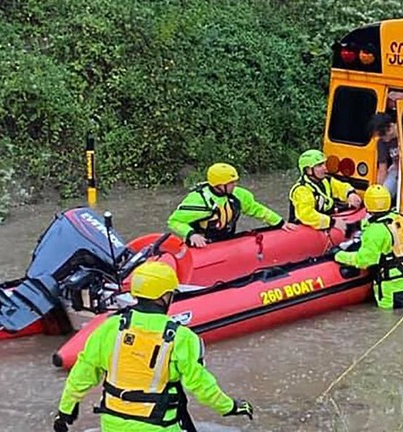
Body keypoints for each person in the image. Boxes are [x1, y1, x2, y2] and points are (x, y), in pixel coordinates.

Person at [53, 261, 253, 432]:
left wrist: (65, 410)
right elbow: (200, 384)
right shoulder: (182, 337)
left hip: (112, 424)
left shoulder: (111, 327)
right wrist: (229, 407)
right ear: (165, 296)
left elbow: (82, 372)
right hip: (158, 425)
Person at [334, 184, 403, 309]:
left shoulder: (375, 232)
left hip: (393, 290)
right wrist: (356, 226)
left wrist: (338, 255)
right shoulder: (400, 219)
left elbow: (364, 261)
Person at [168, 163, 297, 248]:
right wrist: (191, 234)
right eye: (231, 183)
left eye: (235, 181)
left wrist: (280, 223)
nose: (234, 185)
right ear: (218, 184)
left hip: (227, 241)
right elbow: (174, 221)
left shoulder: (238, 195)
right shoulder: (198, 200)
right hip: (202, 246)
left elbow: (257, 210)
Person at [288, 149, 362, 233]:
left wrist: (350, 194)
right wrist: (332, 222)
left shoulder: (326, 180)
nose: (325, 168)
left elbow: (341, 187)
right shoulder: (301, 190)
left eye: (324, 164)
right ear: (308, 170)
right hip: (304, 228)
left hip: (326, 220)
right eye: (319, 165)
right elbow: (307, 215)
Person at [368, 113, 400, 200]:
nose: (381, 138)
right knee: (386, 193)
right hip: (396, 169)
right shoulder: (381, 143)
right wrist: (379, 190)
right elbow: (382, 169)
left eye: (381, 136)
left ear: (389, 129)